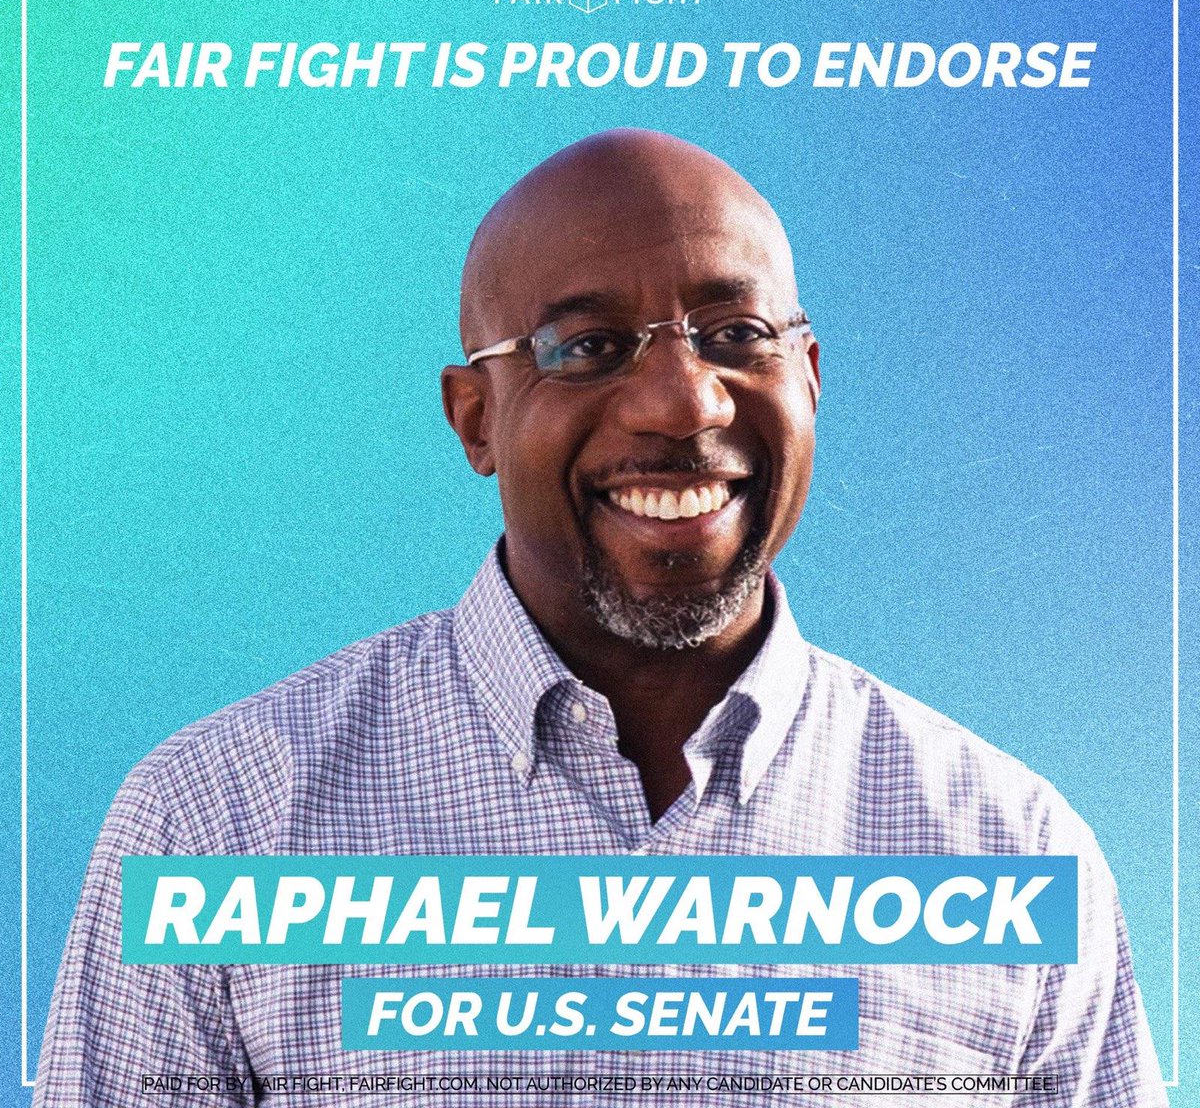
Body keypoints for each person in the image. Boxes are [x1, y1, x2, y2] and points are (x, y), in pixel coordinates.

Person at [36, 130, 1165, 1106]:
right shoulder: (215, 823)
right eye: (585, 347)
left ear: (810, 376)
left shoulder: (1015, 853)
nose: (683, 401)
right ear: (474, 419)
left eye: (736, 334)